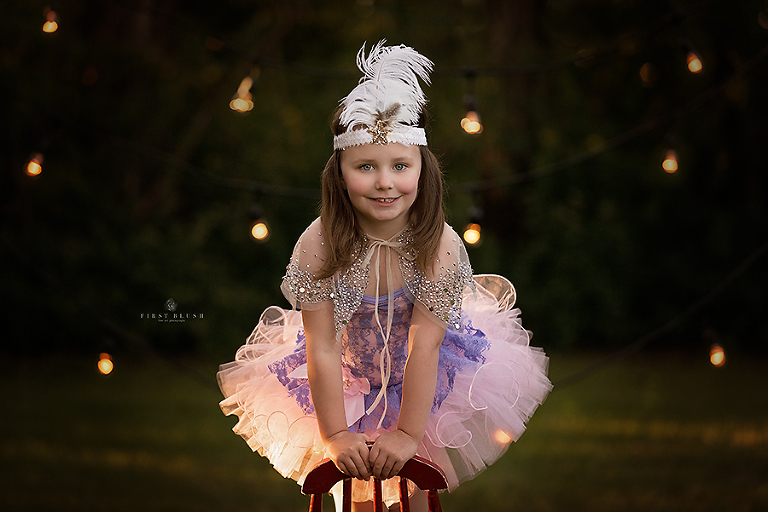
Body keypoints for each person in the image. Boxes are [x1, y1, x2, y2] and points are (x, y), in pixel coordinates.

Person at [217, 40, 552, 512]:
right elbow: (323, 346)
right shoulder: (320, 243)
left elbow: (425, 345)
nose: (384, 183)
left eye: (400, 166)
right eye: (365, 167)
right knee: (355, 496)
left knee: (409, 498)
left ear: (422, 167)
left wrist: (408, 433)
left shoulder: (440, 246)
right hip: (345, 378)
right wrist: (334, 433)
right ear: (339, 172)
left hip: (422, 381)